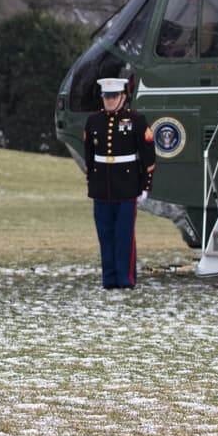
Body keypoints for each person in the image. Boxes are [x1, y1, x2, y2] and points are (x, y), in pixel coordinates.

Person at [83, 76, 156, 288]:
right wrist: (92, 182)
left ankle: (126, 279)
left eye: (114, 96)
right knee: (105, 235)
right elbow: (89, 155)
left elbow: (148, 156)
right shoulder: (93, 121)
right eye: (106, 96)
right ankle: (109, 279)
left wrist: (145, 186)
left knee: (124, 236)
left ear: (123, 96)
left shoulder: (136, 120)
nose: (110, 100)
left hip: (127, 186)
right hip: (101, 187)